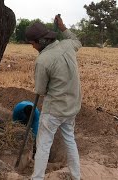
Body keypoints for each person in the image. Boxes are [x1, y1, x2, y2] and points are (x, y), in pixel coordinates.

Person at [25, 15, 82, 180]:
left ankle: (37, 178)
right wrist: (63, 27)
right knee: (70, 139)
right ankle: (76, 176)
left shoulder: (43, 60)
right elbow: (75, 39)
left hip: (54, 110)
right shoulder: (68, 45)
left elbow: (41, 90)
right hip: (72, 106)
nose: (32, 47)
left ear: (41, 42)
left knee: (43, 144)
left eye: (32, 43)